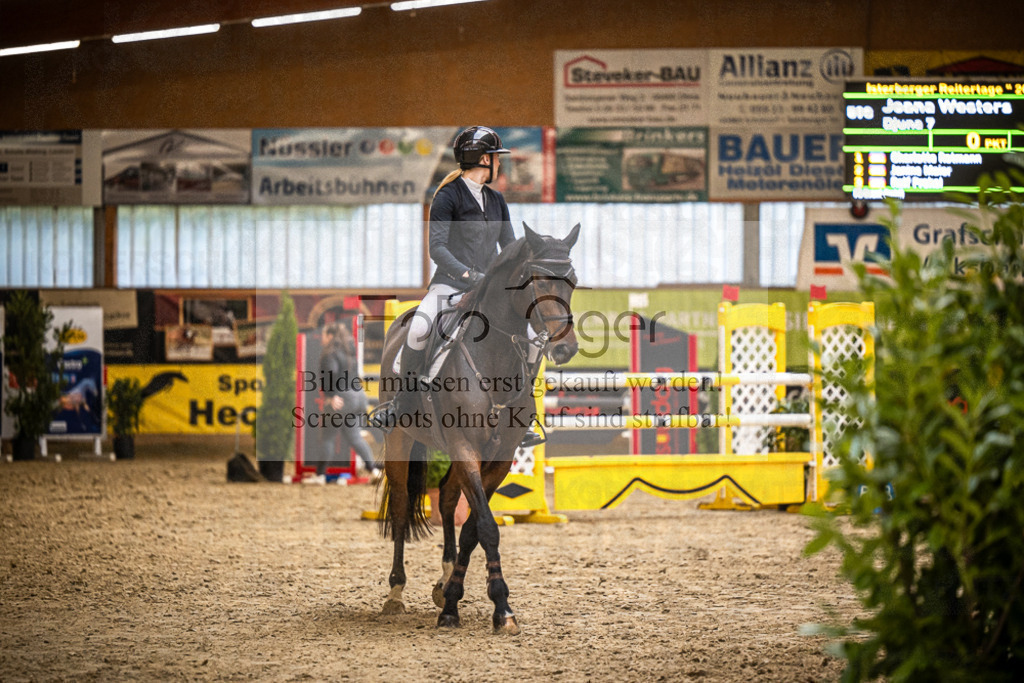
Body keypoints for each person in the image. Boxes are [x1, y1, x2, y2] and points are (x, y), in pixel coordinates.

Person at [373, 126, 544, 449]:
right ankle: (401, 405)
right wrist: (469, 276)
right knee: (419, 328)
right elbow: (437, 248)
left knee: (534, 337)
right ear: (482, 159)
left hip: (490, 293)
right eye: (496, 158)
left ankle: (521, 413)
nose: (499, 165)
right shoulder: (447, 197)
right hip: (450, 285)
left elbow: (508, 248)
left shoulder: (496, 200)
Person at [317, 323, 379, 481]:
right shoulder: (349, 351)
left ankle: (320, 475)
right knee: (354, 437)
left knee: (328, 437)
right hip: (358, 397)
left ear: (330, 336)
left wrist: (331, 396)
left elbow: (330, 373)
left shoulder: (330, 353)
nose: (321, 338)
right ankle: (374, 471)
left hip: (342, 399)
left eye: (323, 335)